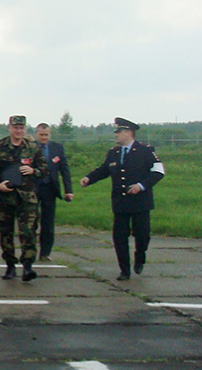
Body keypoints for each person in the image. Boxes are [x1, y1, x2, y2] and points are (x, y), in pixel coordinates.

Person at [81, 117, 165, 281]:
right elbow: (104, 170)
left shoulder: (145, 151)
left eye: (119, 132)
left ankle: (140, 257)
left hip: (141, 202)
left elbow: (158, 172)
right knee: (119, 237)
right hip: (121, 203)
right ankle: (124, 270)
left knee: (142, 235)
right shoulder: (114, 153)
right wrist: (89, 178)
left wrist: (141, 186)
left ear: (129, 132)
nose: (116, 135)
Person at [0, 115, 48, 281]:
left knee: (28, 231)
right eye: (15, 127)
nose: (18, 131)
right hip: (4, 197)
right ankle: (10, 266)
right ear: (9, 128)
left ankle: (27, 266)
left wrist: (33, 171)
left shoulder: (33, 148)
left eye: (21, 128)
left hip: (26, 197)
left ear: (25, 129)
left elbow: (45, 170)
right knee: (6, 232)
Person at [34, 123, 74, 260]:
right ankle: (30, 251)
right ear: (36, 134)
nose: (44, 137)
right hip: (33, 188)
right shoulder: (29, 148)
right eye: (41, 135)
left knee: (48, 223)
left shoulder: (57, 148)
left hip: (50, 189)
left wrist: (68, 190)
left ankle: (45, 253)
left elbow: (65, 170)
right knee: (31, 221)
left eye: (46, 135)